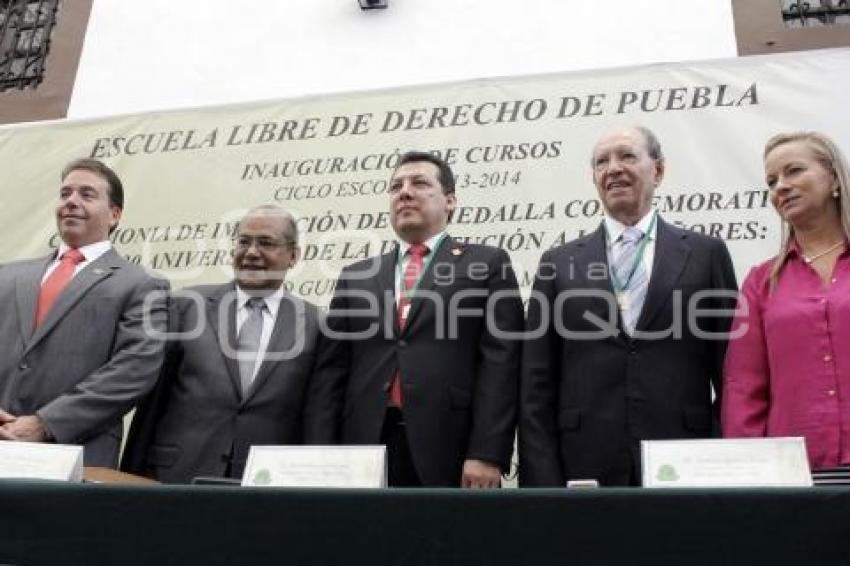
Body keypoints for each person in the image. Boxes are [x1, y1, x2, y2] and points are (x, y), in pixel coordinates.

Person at [519, 126, 738, 487]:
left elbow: (731, 370)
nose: (614, 168)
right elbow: (535, 382)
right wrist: (543, 476)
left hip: (686, 457)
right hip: (583, 461)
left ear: (659, 171)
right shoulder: (557, 263)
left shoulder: (705, 254)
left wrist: (723, 452)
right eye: (602, 162)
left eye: (628, 156)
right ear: (594, 179)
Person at [323, 151, 523, 487]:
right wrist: (321, 454)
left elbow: (501, 364)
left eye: (419, 183)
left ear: (450, 201)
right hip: (362, 449)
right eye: (396, 186)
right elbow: (331, 375)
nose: (404, 192)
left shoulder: (486, 263)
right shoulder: (356, 276)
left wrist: (487, 452)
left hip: (451, 448)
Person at [122, 205, 335, 483]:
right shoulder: (187, 306)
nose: (251, 252)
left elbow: (318, 416)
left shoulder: (318, 325)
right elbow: (152, 402)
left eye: (266, 243)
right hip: (177, 478)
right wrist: (130, 475)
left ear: (293, 256)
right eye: (243, 241)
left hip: (269, 488)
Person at [0, 158, 169, 467]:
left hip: (76, 453)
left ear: (115, 214)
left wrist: (46, 423)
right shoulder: (7, 277)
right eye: (65, 193)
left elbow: (135, 369)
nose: (71, 202)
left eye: (86, 194)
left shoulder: (141, 284)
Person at [722, 131, 850, 471]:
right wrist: (749, 470)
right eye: (772, 180)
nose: (780, 186)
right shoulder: (761, 283)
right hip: (797, 474)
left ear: (834, 178)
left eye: (794, 171)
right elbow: (743, 388)